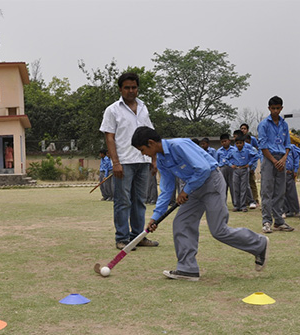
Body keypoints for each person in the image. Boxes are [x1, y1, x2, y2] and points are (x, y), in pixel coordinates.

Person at [131, 126, 269, 281]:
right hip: (193, 190)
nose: (143, 154)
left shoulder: (178, 145)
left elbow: (203, 169)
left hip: (211, 183)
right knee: (181, 223)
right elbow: (167, 189)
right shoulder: (162, 161)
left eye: (142, 150)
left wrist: (185, 191)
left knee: (219, 230)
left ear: (150, 143)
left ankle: (259, 244)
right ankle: (187, 268)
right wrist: (155, 217)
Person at [100, 72, 158, 250]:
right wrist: (115, 163)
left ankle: (138, 236)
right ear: (120, 89)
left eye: (134, 87)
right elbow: (109, 138)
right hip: (123, 162)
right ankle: (122, 238)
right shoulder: (112, 110)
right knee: (123, 201)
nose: (131, 91)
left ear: (138, 89)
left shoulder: (143, 107)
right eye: (127, 87)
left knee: (140, 200)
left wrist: (154, 159)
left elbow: (151, 134)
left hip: (143, 160)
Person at [257, 96, 294, 233]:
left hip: (282, 159)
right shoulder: (264, 124)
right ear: (269, 108)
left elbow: (288, 144)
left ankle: (279, 221)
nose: (275, 111)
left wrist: (284, 159)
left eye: (278, 108)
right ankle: (266, 221)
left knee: (280, 191)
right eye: (273, 108)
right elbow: (262, 145)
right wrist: (273, 160)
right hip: (268, 159)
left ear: (281, 108)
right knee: (267, 191)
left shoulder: (284, 124)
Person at [226, 135, 259, 212]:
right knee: (236, 188)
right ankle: (236, 205)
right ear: (235, 143)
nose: (239, 145)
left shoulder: (247, 150)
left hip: (244, 169)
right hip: (236, 170)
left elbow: (256, 156)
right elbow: (226, 159)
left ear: (243, 143)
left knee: (243, 188)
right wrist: (231, 165)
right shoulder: (233, 151)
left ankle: (243, 206)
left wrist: (249, 164)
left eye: (240, 143)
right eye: (237, 143)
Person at [282, 144, 300, 218]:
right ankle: (284, 211)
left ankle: (296, 210)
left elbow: (296, 157)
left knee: (292, 192)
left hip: (290, 173)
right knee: (281, 193)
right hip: (280, 173)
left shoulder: (291, 147)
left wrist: (295, 169)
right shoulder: (276, 147)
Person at [215, 133, 234, 204]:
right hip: (222, 168)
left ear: (229, 141)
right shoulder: (219, 151)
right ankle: (223, 203)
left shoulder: (234, 149)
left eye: (225, 141)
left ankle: (235, 203)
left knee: (233, 186)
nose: (224, 143)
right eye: (222, 142)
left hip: (231, 169)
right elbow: (216, 161)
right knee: (223, 186)